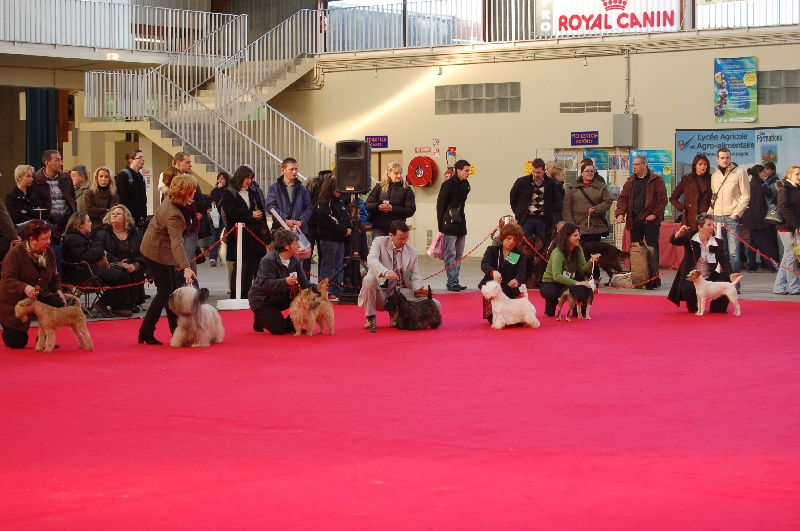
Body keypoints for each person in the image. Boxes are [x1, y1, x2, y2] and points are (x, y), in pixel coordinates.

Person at [138, 173, 198, 345]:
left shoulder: (171, 198)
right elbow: (177, 243)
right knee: (165, 292)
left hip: (160, 249)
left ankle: (175, 330)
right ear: (184, 192)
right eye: (192, 190)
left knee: (171, 293)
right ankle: (146, 332)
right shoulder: (174, 215)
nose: (194, 193)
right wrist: (185, 267)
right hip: (156, 252)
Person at [358, 220, 440, 331]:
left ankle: (398, 315)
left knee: (435, 305)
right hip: (380, 292)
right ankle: (370, 317)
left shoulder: (413, 252)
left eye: (406, 238)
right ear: (391, 235)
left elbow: (416, 275)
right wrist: (385, 272)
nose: (404, 242)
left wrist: (417, 289)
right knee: (368, 279)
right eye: (401, 238)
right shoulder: (379, 242)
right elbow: (371, 259)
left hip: (400, 292)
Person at [0, 220, 66, 349]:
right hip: (15, 301)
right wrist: (24, 287)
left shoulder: (49, 252)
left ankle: (44, 336)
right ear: (32, 239)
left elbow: (54, 275)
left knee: (57, 302)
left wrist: (58, 290)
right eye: (45, 239)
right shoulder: (15, 254)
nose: (49, 241)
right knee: (17, 343)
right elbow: (7, 279)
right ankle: (7, 329)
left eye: (49, 238)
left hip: (39, 297)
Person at [61, 212, 133, 318]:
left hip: (87, 269)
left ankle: (121, 305)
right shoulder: (74, 238)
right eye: (88, 221)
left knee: (123, 271)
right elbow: (82, 257)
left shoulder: (79, 237)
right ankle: (103, 303)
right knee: (123, 277)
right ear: (80, 224)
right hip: (82, 272)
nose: (91, 224)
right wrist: (99, 252)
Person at [668, 213, 741, 313]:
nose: (712, 227)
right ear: (700, 227)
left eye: (713, 225)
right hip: (694, 278)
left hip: (709, 277)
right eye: (709, 225)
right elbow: (674, 241)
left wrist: (731, 274)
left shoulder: (718, 243)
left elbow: (724, 261)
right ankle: (693, 304)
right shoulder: (690, 238)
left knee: (726, 277)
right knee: (687, 287)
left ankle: (718, 307)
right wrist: (679, 233)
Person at [249, 229, 317, 335]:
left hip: (281, 296)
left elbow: (304, 283)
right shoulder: (268, 260)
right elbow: (265, 284)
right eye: (295, 243)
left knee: (305, 296)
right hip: (262, 300)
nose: (299, 246)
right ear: (286, 246)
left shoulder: (295, 260)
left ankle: (291, 323)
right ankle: (260, 319)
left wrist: (318, 288)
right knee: (279, 330)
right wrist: (285, 282)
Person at [220, 165, 268, 299]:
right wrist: (250, 214)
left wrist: (258, 215)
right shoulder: (229, 192)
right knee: (240, 264)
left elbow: (261, 208)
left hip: (253, 233)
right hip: (238, 235)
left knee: (252, 263)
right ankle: (236, 293)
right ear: (240, 177)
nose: (249, 181)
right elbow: (230, 211)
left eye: (251, 178)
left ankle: (247, 292)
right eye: (247, 178)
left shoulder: (253, 192)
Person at [614, 154, 668, 263]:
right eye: (633, 165)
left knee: (652, 249)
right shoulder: (630, 182)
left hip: (651, 221)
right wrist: (620, 214)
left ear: (645, 165)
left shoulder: (657, 180)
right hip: (635, 220)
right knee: (636, 249)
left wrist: (654, 214)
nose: (634, 167)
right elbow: (623, 199)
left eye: (637, 164)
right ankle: (637, 273)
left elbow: (662, 200)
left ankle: (653, 275)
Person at [538, 222, 600, 317]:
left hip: (568, 281)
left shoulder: (578, 249)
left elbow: (582, 268)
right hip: (552, 282)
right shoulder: (557, 253)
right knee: (552, 293)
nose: (579, 237)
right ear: (567, 237)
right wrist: (576, 283)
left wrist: (591, 262)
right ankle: (550, 306)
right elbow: (557, 276)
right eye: (575, 235)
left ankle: (578, 310)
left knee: (585, 287)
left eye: (579, 235)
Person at [95, 204, 148, 311]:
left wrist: (135, 264)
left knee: (137, 273)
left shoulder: (135, 233)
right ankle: (122, 305)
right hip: (112, 265)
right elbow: (101, 252)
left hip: (133, 265)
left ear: (125, 218)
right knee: (122, 273)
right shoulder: (103, 233)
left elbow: (143, 251)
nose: (114, 215)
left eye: (118, 214)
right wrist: (119, 263)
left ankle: (128, 303)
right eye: (112, 214)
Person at [31, 150, 77, 271]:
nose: (60, 163)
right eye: (57, 160)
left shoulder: (66, 177)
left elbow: (72, 198)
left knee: (70, 250)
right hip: (49, 221)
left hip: (67, 219)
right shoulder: (37, 180)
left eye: (60, 159)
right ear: (47, 163)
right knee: (52, 252)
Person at [266, 157, 313, 273]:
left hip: (299, 232)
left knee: (301, 266)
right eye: (291, 169)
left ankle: (302, 289)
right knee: (282, 263)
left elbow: (309, 207)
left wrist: (301, 221)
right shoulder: (274, 188)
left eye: (296, 169)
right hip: (282, 231)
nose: (294, 172)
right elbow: (270, 206)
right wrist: (285, 220)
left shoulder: (302, 188)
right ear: (283, 170)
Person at [710, 147, 749, 273]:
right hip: (717, 217)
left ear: (730, 157)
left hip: (731, 217)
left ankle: (735, 283)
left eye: (727, 157)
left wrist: (737, 213)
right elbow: (713, 196)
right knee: (721, 251)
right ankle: (723, 281)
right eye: (722, 158)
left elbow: (746, 195)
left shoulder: (739, 172)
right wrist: (711, 214)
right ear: (717, 159)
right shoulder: (714, 175)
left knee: (734, 252)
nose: (725, 160)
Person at [478, 221, 527, 324]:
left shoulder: (518, 255)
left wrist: (517, 281)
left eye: (515, 239)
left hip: (510, 290)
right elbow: (484, 264)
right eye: (509, 238)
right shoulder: (492, 250)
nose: (512, 242)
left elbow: (522, 273)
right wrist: (493, 272)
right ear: (503, 237)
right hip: (494, 292)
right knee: (493, 320)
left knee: (519, 321)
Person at [509, 157, 563, 249]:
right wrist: (518, 212)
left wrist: (553, 217)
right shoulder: (522, 182)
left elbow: (557, 201)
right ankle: (523, 263)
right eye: (533, 172)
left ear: (544, 170)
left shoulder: (551, 183)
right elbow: (513, 197)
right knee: (523, 245)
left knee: (543, 245)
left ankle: (541, 262)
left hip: (543, 219)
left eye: (538, 172)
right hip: (526, 219)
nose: (535, 175)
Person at [314, 176, 352, 300]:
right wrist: (343, 230)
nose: (339, 191)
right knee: (328, 267)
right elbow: (329, 221)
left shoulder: (340, 202)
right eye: (337, 188)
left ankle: (337, 290)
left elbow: (346, 217)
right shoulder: (324, 203)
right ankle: (326, 291)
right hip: (329, 240)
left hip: (340, 239)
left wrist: (349, 227)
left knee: (338, 266)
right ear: (330, 188)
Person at [436, 159, 471, 292]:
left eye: (469, 171)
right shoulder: (448, 185)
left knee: (459, 254)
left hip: (461, 223)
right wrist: (440, 226)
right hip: (449, 223)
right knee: (450, 253)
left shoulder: (466, 184)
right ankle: (451, 282)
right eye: (466, 171)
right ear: (458, 170)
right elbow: (440, 205)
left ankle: (455, 280)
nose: (468, 173)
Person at [563, 160, 612, 243]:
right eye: (587, 171)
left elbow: (608, 201)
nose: (589, 173)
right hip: (578, 227)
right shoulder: (573, 188)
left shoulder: (601, 187)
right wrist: (570, 225)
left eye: (591, 171)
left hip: (596, 227)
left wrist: (596, 209)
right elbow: (567, 207)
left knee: (594, 252)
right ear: (582, 173)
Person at [741, 165, 779, 273]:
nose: (765, 174)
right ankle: (772, 265)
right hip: (757, 220)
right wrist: (762, 221)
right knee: (764, 243)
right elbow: (757, 205)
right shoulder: (756, 185)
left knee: (754, 243)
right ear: (758, 173)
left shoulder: (756, 184)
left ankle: (752, 265)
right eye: (763, 172)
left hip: (754, 219)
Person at [364, 161, 417, 238]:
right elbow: (367, 205)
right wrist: (378, 207)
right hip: (379, 226)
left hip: (397, 228)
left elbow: (410, 210)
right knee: (379, 249)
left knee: (394, 250)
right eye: (396, 173)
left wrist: (393, 208)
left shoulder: (407, 189)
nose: (399, 176)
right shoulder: (379, 187)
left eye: (400, 173)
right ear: (389, 174)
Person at [773, 166, 800, 295]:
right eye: (797, 174)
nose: (799, 176)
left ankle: (779, 286)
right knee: (791, 256)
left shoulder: (796, 189)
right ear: (789, 175)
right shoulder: (784, 189)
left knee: (788, 256)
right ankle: (794, 287)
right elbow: (784, 209)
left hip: (794, 228)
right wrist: (796, 225)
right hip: (786, 228)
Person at [670, 153, 712, 230]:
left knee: (706, 241)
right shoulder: (686, 179)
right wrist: (683, 208)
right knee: (690, 241)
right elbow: (673, 198)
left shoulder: (712, 179)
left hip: (707, 218)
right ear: (695, 166)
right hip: (690, 219)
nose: (703, 166)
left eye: (705, 164)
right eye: (700, 164)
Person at [115, 149, 147, 227]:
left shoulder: (140, 177)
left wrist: (143, 216)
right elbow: (123, 199)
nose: (143, 160)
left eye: (143, 157)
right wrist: (136, 216)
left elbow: (143, 199)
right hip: (128, 219)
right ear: (131, 161)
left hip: (140, 220)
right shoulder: (123, 176)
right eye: (140, 157)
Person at [83, 166, 119, 234]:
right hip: (92, 228)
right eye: (101, 176)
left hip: (108, 228)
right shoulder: (89, 193)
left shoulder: (114, 195)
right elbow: (88, 210)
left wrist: (97, 212)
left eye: (106, 177)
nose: (103, 179)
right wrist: (105, 210)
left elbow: (112, 213)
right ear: (96, 178)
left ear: (110, 179)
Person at [208, 171, 230, 267]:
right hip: (214, 217)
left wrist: (221, 189)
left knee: (222, 238)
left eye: (222, 178)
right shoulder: (214, 190)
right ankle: (212, 258)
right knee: (214, 237)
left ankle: (222, 257)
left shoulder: (228, 190)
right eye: (219, 178)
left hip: (223, 217)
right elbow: (210, 198)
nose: (220, 180)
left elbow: (225, 199)